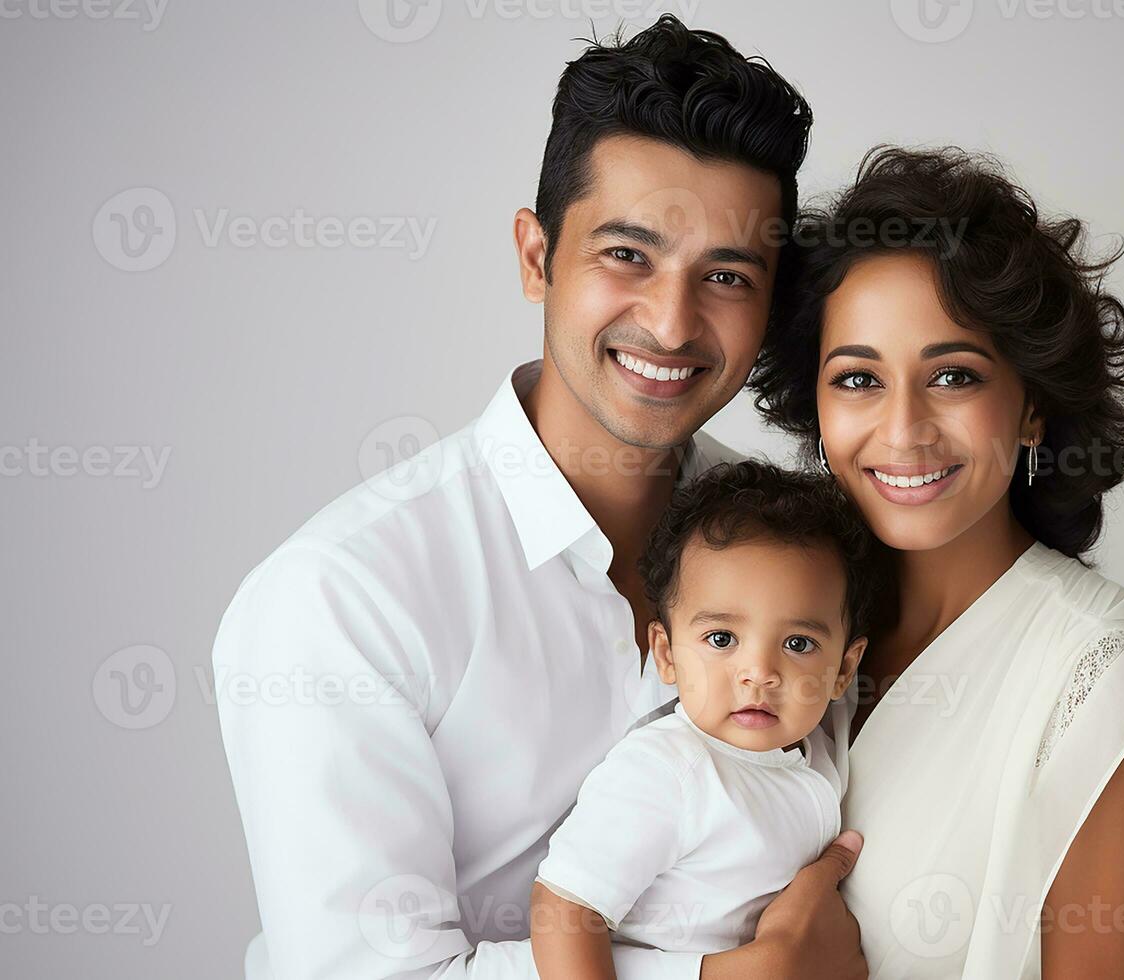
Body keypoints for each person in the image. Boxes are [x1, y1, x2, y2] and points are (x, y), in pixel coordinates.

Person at [212, 17, 867, 980]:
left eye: (726, 276)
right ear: (535, 257)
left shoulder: (807, 549)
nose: (672, 321)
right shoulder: (338, 599)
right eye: (627, 255)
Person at [750, 145, 1124, 979]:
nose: (903, 430)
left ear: (1032, 405)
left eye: (954, 376)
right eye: (858, 380)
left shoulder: (1109, 685)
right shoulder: (773, 617)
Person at [530, 461, 876, 978]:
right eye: (721, 640)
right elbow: (564, 911)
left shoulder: (818, 747)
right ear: (666, 655)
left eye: (798, 644)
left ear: (844, 669)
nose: (759, 674)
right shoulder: (666, 770)